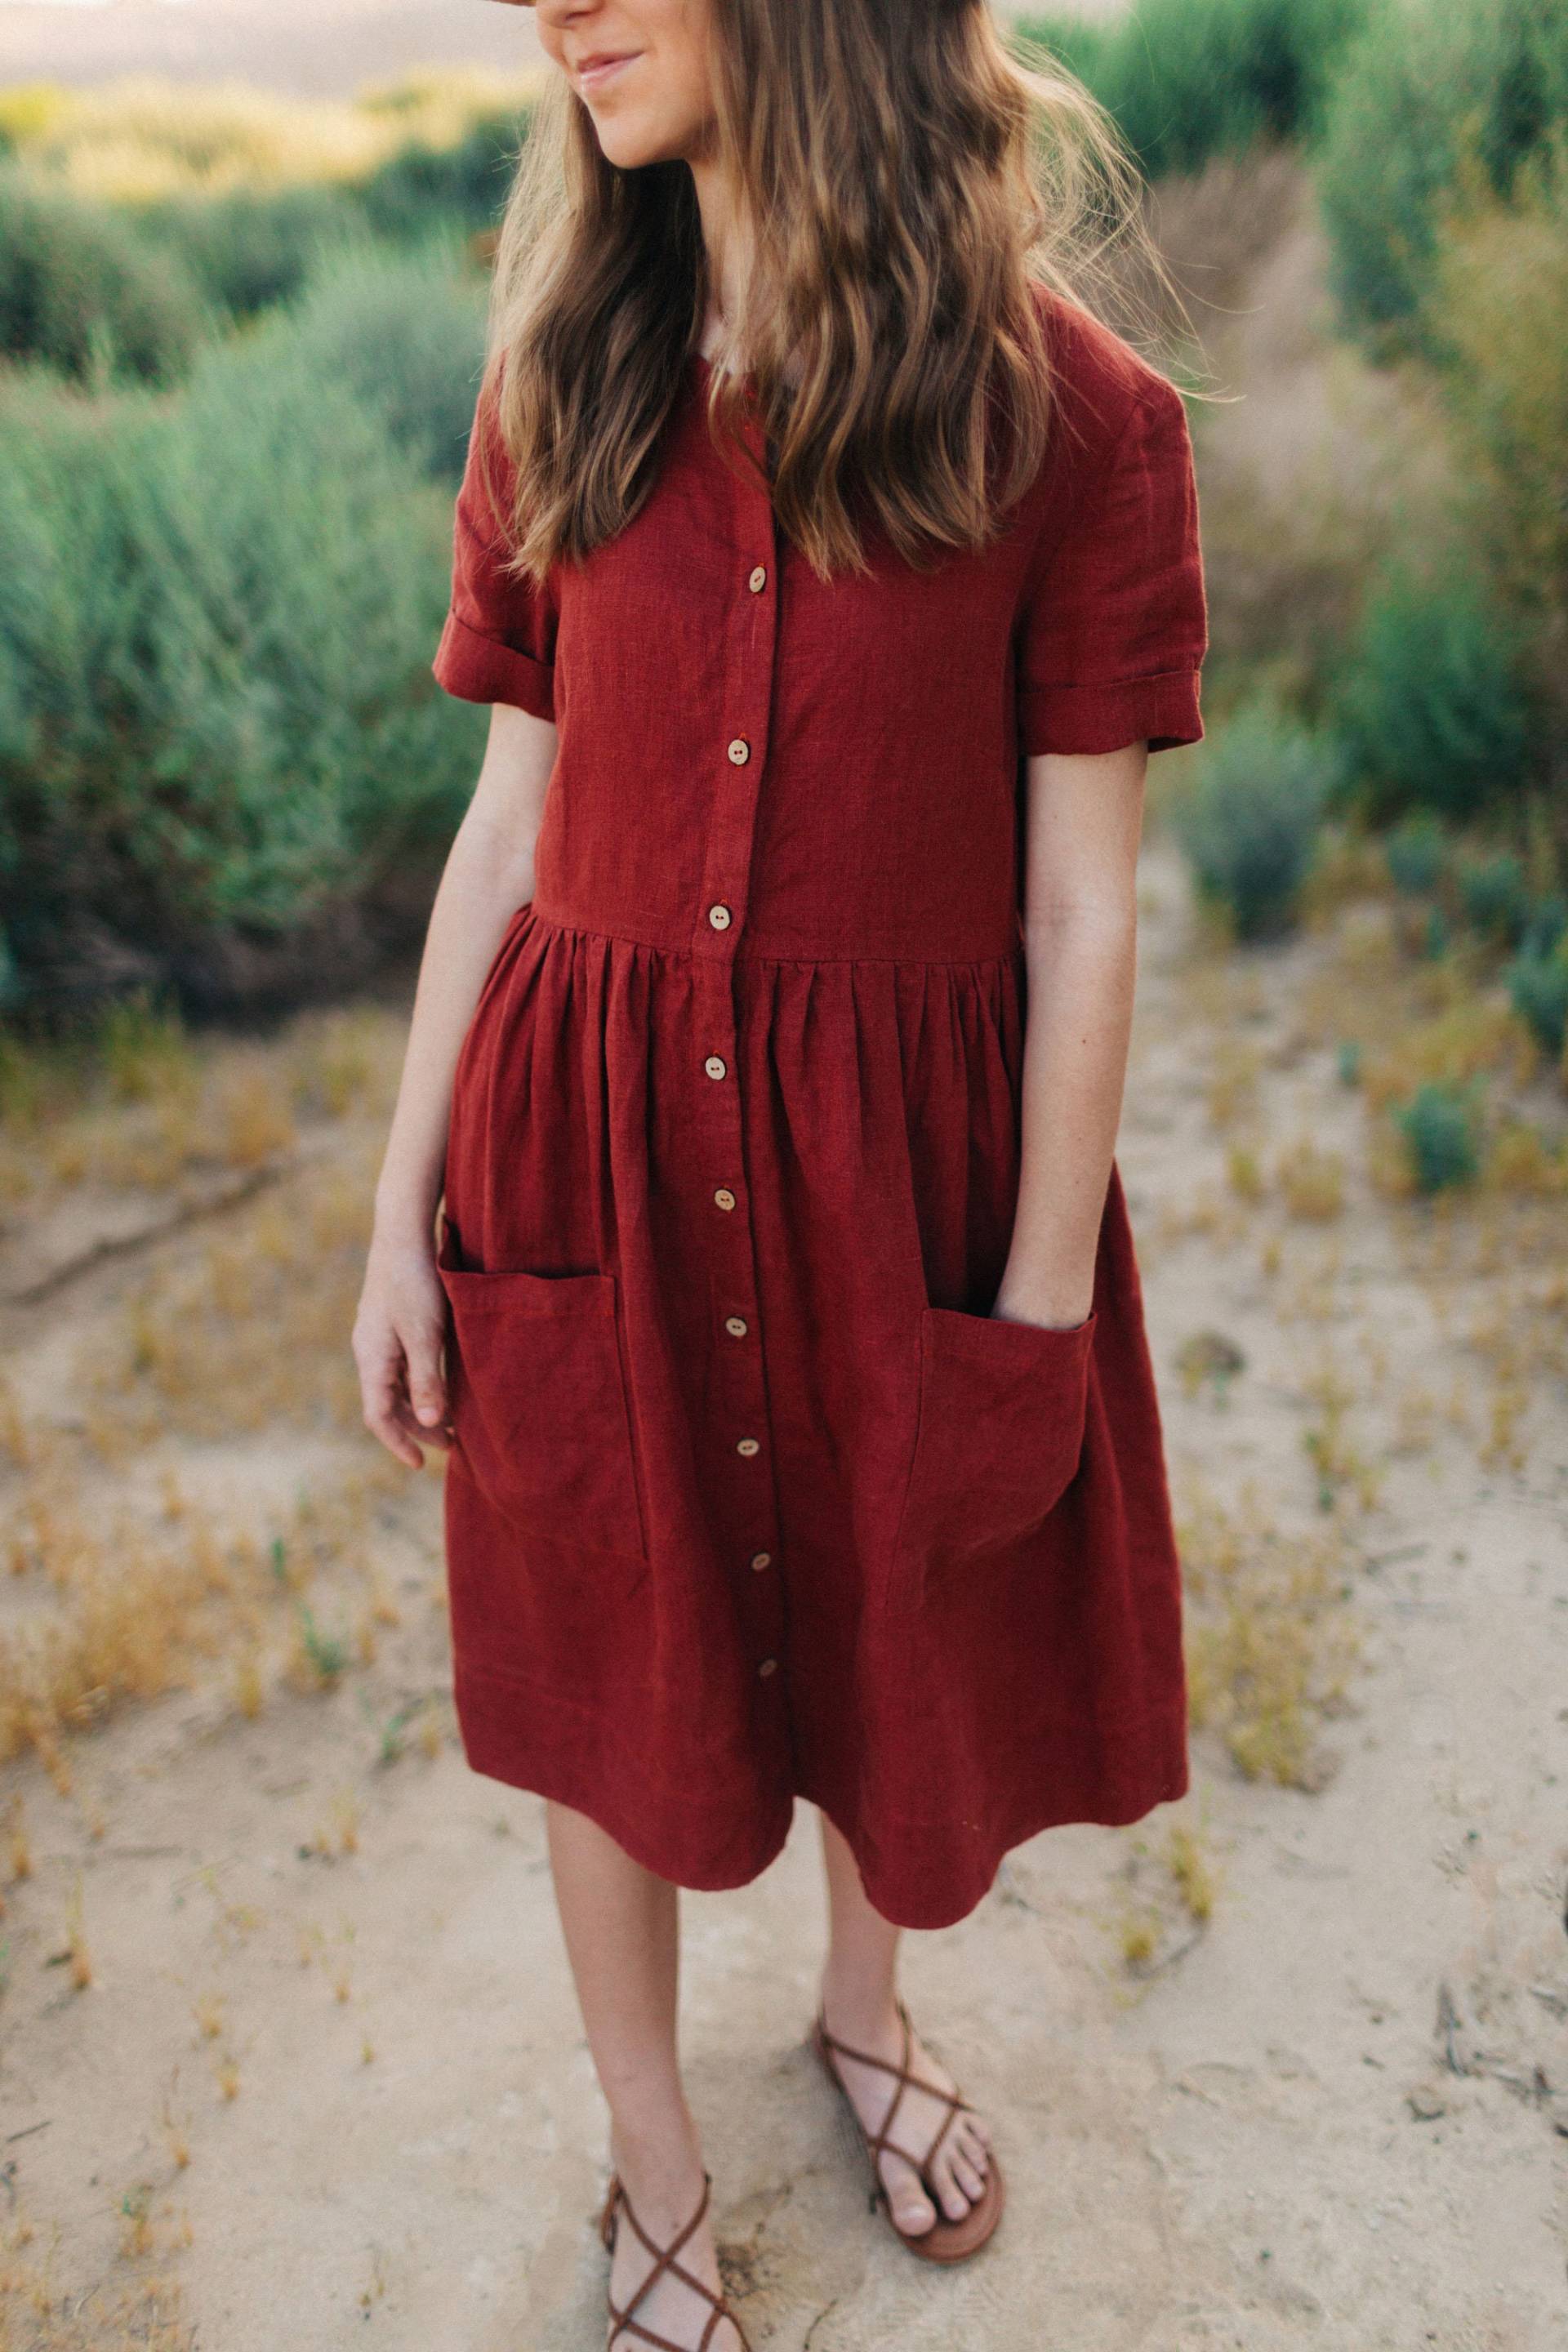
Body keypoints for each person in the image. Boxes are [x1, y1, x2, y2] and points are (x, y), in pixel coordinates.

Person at [354, 1, 1209, 2343]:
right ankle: (651, 2156)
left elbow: (1082, 907)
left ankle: (865, 2016)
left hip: (895, 1187)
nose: (561, 8)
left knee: (894, 1622)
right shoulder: (570, 377)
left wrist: (1033, 1314)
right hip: (583, 1175)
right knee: (603, 1643)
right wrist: (397, 1215)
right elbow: (506, 824)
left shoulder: (1079, 426)